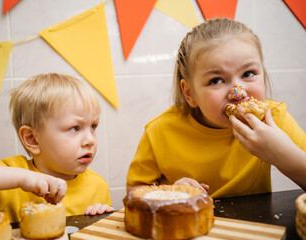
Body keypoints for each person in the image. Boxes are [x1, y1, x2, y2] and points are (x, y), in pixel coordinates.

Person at [126, 18, 306, 197]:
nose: (238, 93)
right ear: (189, 93)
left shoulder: (273, 119)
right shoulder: (159, 132)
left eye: (248, 74)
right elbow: (134, 192)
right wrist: (170, 193)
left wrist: (282, 154)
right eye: (216, 80)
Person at [0, 73, 114, 223]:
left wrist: (101, 220)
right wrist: (21, 178)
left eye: (93, 126)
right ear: (32, 139)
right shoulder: (12, 175)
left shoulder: (98, 186)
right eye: (75, 128)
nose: (90, 140)